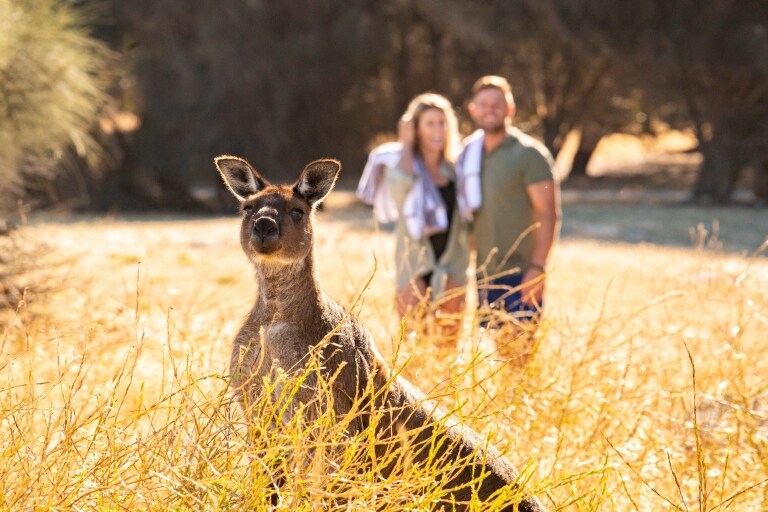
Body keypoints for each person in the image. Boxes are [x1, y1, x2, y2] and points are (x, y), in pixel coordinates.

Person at [457, 75, 561, 327]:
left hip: (521, 273)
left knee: (520, 347)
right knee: (495, 348)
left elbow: (548, 212)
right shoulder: (467, 154)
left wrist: (537, 268)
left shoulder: (529, 154)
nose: (489, 110)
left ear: (510, 109)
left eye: (497, 104)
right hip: (484, 274)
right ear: (473, 109)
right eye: (483, 104)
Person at [357, 93, 469, 317]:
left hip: (452, 262)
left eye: (442, 123)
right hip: (413, 262)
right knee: (411, 333)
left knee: (450, 335)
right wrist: (406, 143)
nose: (438, 130)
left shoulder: (456, 169)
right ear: (416, 129)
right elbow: (402, 187)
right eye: (430, 124)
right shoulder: (403, 165)